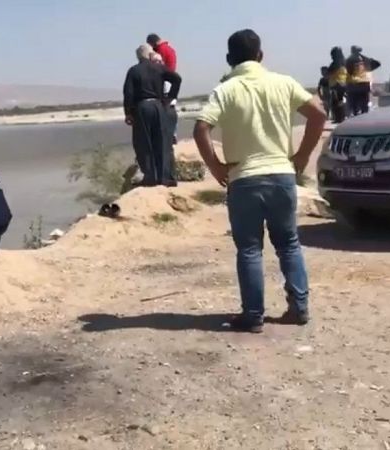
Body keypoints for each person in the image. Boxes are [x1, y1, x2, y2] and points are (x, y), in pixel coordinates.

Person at [192, 29, 327, 333]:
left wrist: (216, 167)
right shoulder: (284, 83)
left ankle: (253, 316)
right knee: (289, 244)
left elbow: (201, 129)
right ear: (261, 55)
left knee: (249, 249)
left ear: (229, 59)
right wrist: (302, 155)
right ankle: (299, 307)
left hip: (244, 180)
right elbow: (318, 115)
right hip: (281, 175)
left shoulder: (225, 90)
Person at [123, 44, 182, 187]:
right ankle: (165, 178)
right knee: (162, 141)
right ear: (150, 55)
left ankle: (150, 177)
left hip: (142, 107)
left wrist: (128, 113)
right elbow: (177, 79)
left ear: (138, 57)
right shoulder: (158, 68)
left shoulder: (133, 70)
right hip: (159, 106)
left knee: (143, 143)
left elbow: (128, 93)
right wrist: (170, 97)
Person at [147, 33, 179, 143]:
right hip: (171, 78)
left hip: (165, 80)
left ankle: (168, 133)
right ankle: (173, 133)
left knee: (164, 108)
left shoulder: (161, 50)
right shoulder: (170, 48)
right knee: (171, 107)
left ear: (153, 42)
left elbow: (158, 67)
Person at [327, 47, 348, 123]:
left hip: (336, 84)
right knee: (341, 101)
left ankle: (338, 118)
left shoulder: (335, 63)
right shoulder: (345, 62)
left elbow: (329, 72)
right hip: (344, 83)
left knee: (335, 103)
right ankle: (342, 117)